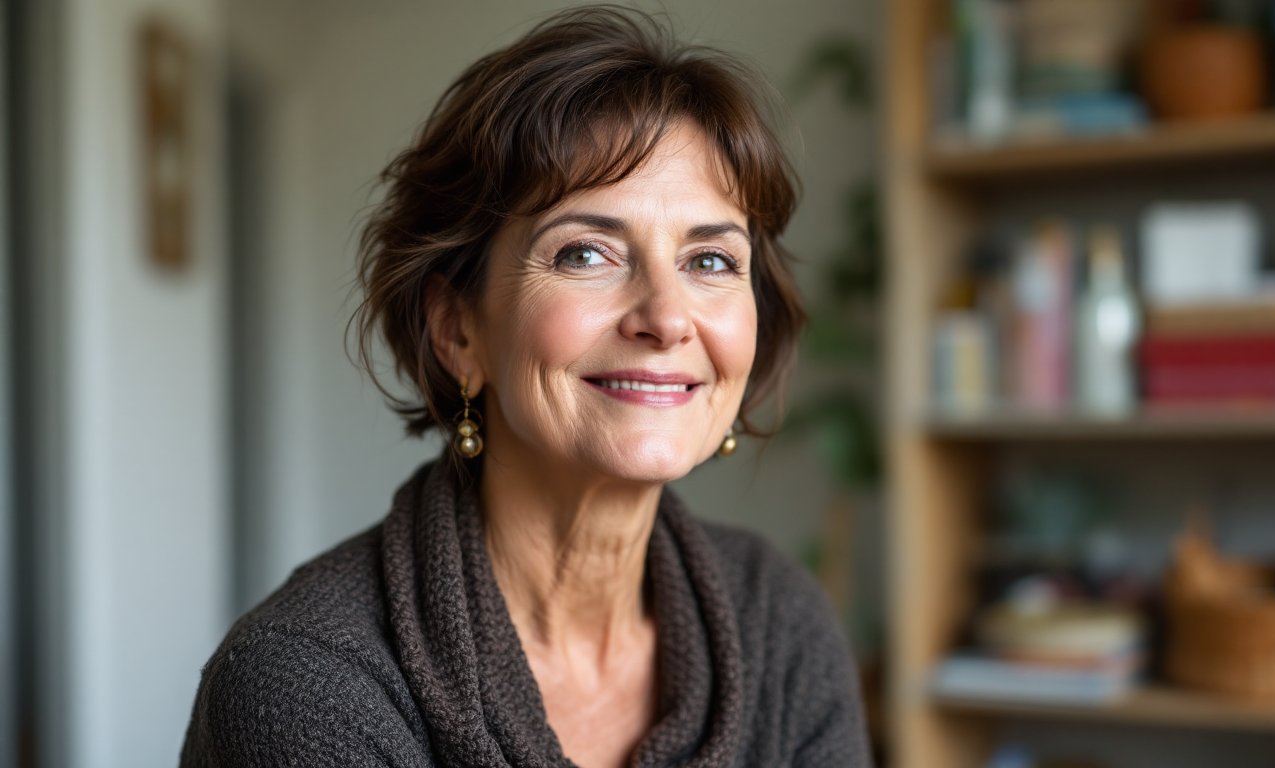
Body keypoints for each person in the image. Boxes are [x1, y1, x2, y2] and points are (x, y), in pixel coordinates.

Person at [182, 6, 871, 767]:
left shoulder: (779, 620)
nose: (668, 317)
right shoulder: (304, 681)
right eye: (586, 254)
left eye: (710, 262)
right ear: (458, 332)